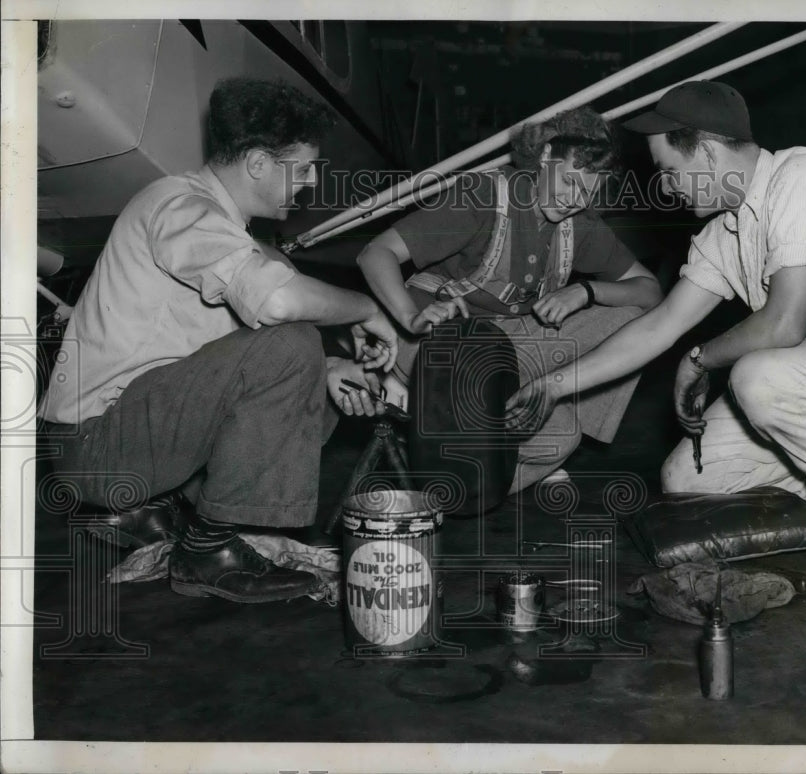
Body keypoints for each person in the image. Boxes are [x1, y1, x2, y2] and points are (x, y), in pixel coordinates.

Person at [506, 80, 806, 548]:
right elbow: (658, 325)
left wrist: (697, 359)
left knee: (757, 375)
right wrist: (551, 385)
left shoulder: (803, 174)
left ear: (710, 153)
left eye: (670, 169)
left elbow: (785, 323)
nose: (665, 185)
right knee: (686, 482)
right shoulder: (724, 233)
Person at [39, 78, 398, 602]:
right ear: (257, 163)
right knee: (293, 340)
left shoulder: (233, 235)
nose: (308, 186)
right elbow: (277, 305)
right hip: (96, 445)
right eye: (300, 170)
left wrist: (328, 370)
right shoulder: (180, 206)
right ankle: (210, 549)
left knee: (307, 362)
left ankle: (167, 511)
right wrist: (369, 307)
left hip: (132, 428)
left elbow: (228, 349)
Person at [357, 106, 663, 492]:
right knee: (496, 412)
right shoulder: (481, 196)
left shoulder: (581, 223)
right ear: (546, 156)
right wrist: (409, 318)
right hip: (435, 343)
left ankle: (469, 457)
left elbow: (650, 291)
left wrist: (586, 291)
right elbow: (375, 253)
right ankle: (429, 422)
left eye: (588, 191)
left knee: (568, 429)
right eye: (569, 182)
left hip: (506, 350)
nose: (574, 199)